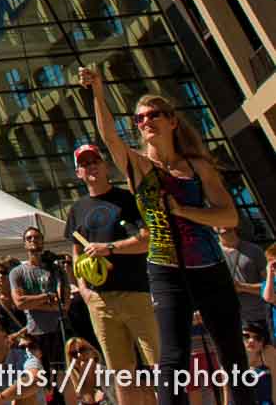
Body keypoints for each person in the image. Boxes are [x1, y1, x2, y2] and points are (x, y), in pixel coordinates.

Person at [80, 65, 256, 405]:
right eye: (140, 119)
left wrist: (183, 210)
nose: (146, 122)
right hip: (165, 269)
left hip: (209, 267)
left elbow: (228, 214)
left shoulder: (196, 166)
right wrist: (98, 92)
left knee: (232, 352)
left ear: (172, 121)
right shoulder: (138, 166)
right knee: (172, 359)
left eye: (154, 115)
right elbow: (109, 137)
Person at [66, 141, 156, 405]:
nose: (90, 166)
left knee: (159, 365)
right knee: (121, 374)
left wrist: (109, 249)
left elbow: (146, 240)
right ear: (78, 173)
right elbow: (76, 254)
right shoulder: (76, 210)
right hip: (100, 302)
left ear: (105, 166)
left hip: (136, 293)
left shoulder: (127, 200)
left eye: (94, 161)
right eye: (84, 164)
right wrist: (84, 290)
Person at [12, 226, 68, 380]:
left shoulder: (55, 269)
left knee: (62, 377)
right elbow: (20, 303)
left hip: (58, 330)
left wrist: (33, 302)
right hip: (35, 334)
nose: (33, 240)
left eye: (36, 237)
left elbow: (63, 304)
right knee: (40, 379)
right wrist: (47, 297)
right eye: (29, 238)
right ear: (24, 244)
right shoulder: (18, 272)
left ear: (43, 242)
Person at [223, 228, 270, 338]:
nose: (221, 224)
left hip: (262, 318)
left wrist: (242, 287)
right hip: (232, 321)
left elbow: (271, 286)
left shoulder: (255, 251)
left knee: (269, 353)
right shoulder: (212, 254)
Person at [60, 338, 108, 405]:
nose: (79, 355)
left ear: (92, 352)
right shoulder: (70, 383)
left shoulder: (105, 373)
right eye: (73, 354)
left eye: (82, 350)